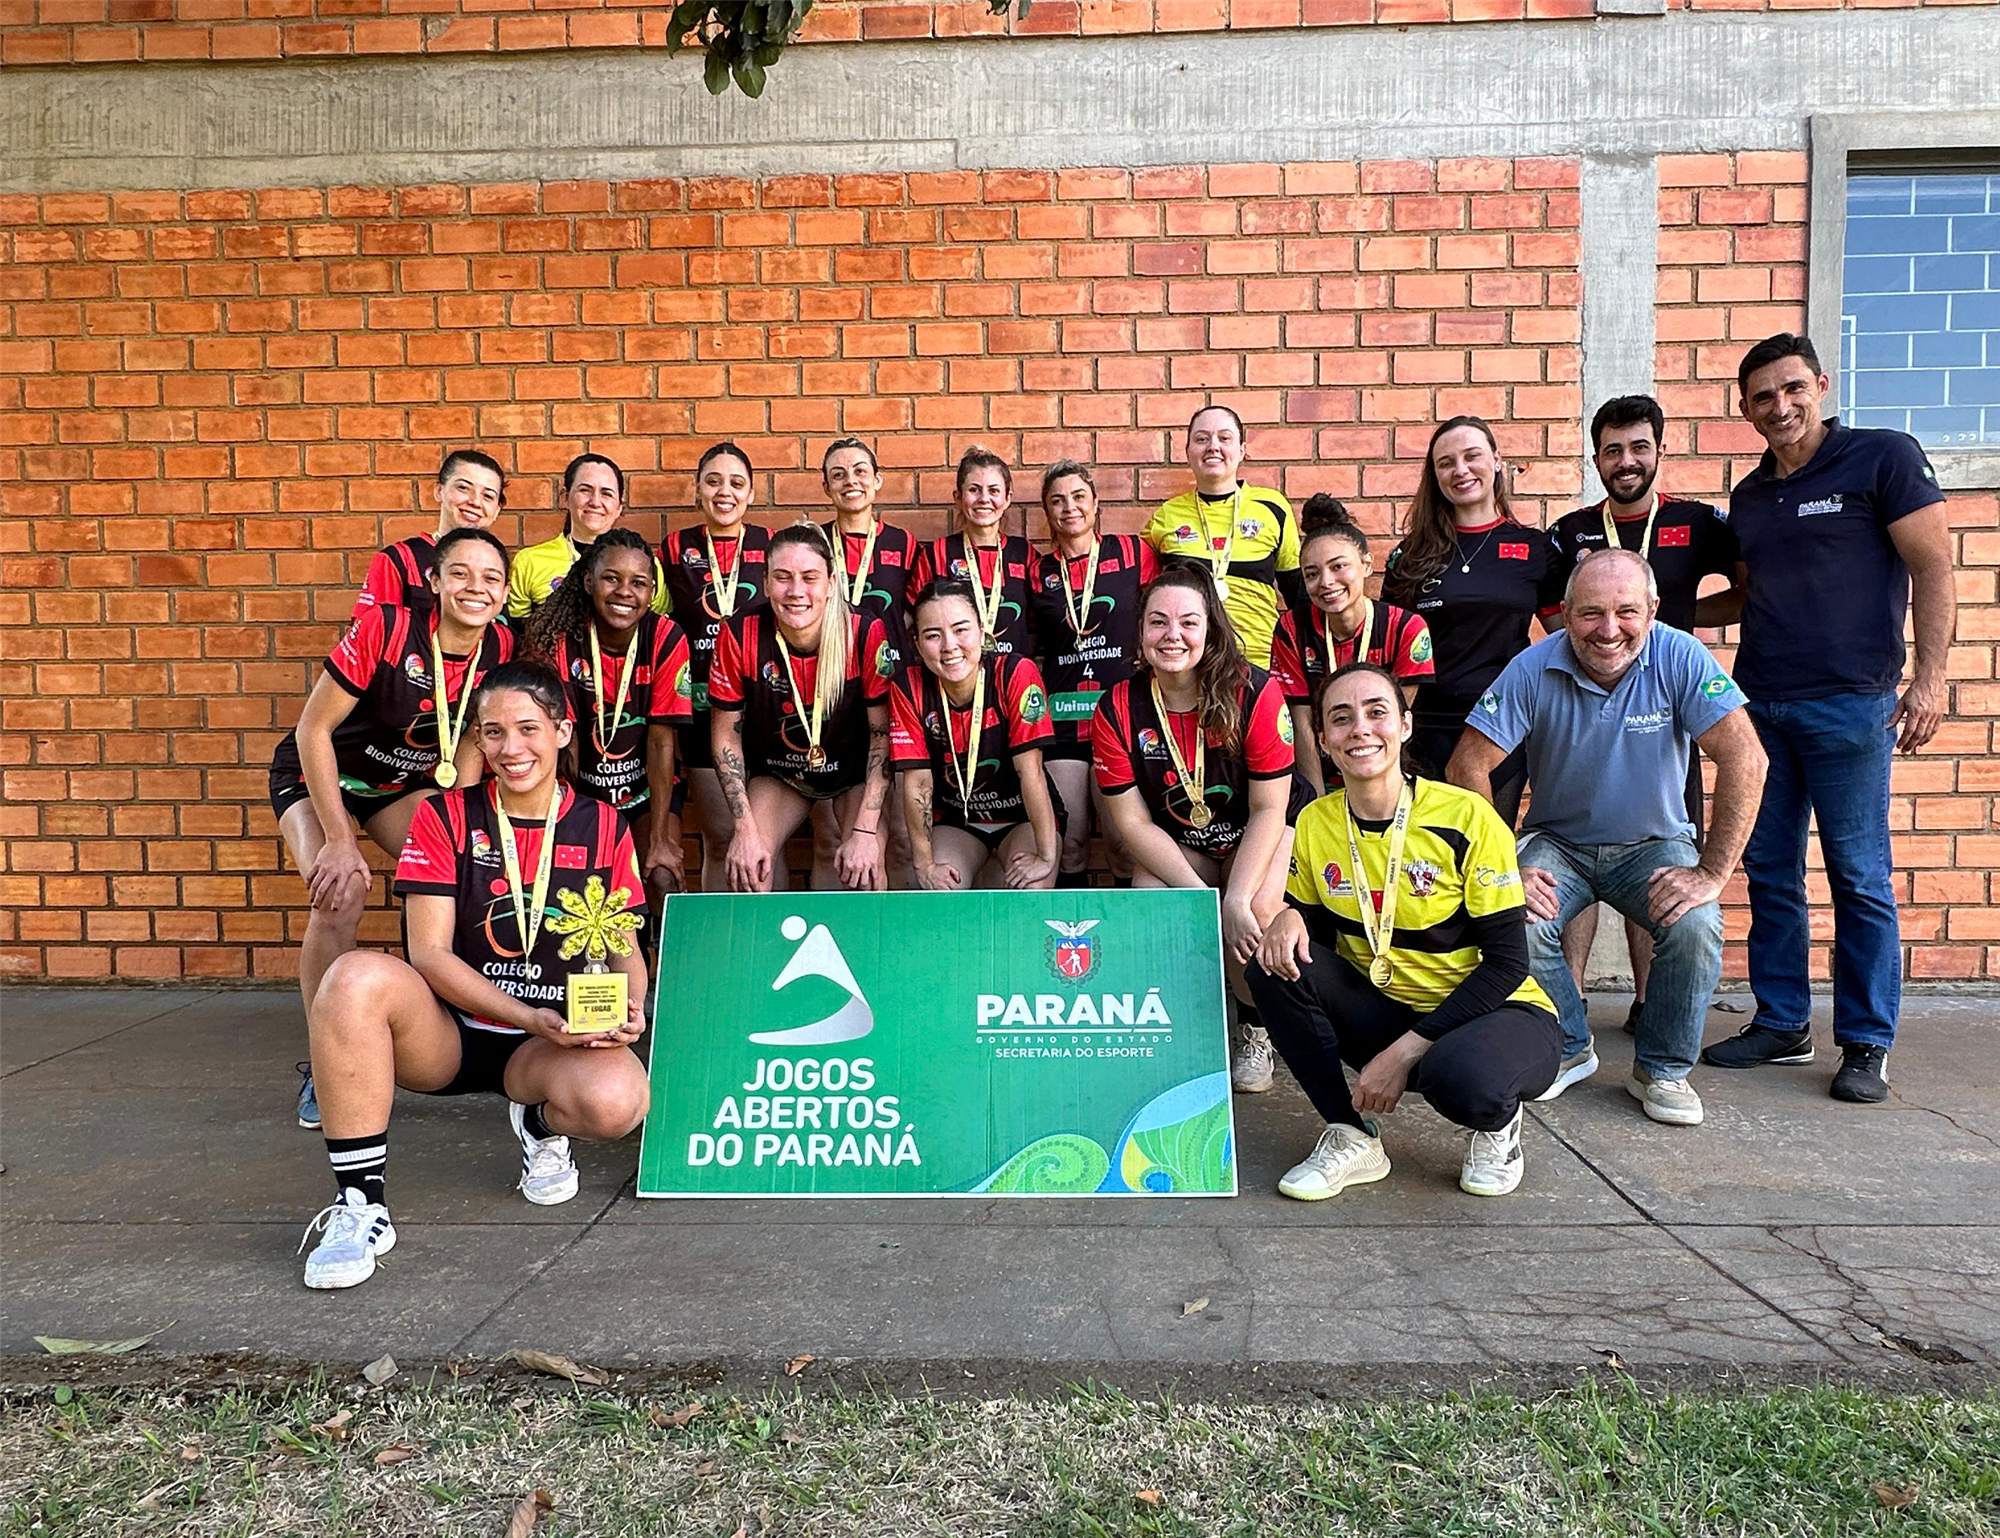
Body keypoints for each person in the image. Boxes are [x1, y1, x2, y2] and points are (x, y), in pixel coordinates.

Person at [297, 660, 650, 1290]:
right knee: (352, 977)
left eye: (527, 729)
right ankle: (359, 1207)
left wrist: (631, 1006)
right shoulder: (444, 816)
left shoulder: (603, 824)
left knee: (619, 1101)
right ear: (476, 740)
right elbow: (428, 954)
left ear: (563, 732)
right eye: (492, 733)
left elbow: (621, 942)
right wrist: (524, 1014)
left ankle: (538, 1126)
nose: (511, 749)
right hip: (450, 1035)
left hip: (547, 1044)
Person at [1701, 333, 1956, 1104]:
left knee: (1859, 876)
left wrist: (1930, 679)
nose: (1779, 407)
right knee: (1771, 870)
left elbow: (1934, 567)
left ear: (1820, 383)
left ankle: (1867, 1041)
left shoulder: (1881, 457)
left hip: (1853, 704)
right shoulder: (1750, 496)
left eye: (1791, 389)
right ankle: (1783, 1022)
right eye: (1761, 398)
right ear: (1745, 410)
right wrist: (1651, 612)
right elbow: (1746, 594)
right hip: (1763, 707)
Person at [1449, 550, 1768, 1124]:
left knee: (1696, 923)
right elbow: (1467, 766)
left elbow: (1745, 757)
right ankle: (1570, 1047)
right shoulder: (1532, 666)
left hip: (1653, 845)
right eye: (1591, 613)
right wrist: (1503, 866)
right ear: (1565, 613)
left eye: (1627, 612)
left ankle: (1662, 1071)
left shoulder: (1681, 656)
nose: (1609, 630)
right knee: (1513, 912)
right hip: (1559, 842)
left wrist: (1712, 874)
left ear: (1653, 609)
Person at [1249, 663, 1561, 1200]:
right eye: (1341, 719)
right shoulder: (1317, 822)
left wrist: (1404, 1053)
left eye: (1377, 713)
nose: (1361, 730)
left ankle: (1499, 1128)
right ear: (1322, 740)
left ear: (1406, 725)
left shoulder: (1466, 816)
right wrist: (1289, 915)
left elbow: (1509, 964)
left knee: (1463, 1081)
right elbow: (1315, 930)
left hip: (1498, 1010)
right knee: (1273, 964)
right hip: (1388, 1003)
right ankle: (1351, 1134)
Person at [270, 527, 515, 1131]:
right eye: (460, 573)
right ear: (433, 581)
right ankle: (324, 1066)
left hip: (401, 785)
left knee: (462, 872)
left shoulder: (502, 645)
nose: (475, 588)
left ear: (506, 593)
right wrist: (338, 838)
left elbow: (468, 747)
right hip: (319, 774)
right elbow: (312, 733)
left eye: (490, 578)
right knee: (340, 893)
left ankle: (439, 1019)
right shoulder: (386, 625)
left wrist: (462, 834)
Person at [1539, 396, 1748, 1034]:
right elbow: (1555, 611)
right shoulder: (1571, 530)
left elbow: (1747, 590)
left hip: (1669, 706)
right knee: (1573, 841)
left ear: (1659, 449)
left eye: (1638, 447)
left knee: (1653, 852)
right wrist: (1593, 649)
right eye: (1612, 450)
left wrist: (1678, 630)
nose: (1625, 461)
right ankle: (1565, 999)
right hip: (1587, 699)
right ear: (1596, 456)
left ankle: (1647, 1004)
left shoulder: (1696, 522)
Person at [1091, 567, 1299, 1094]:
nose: (1172, 635)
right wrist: (1195, 897)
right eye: (1158, 623)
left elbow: (1270, 810)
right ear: (1140, 632)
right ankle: (1183, 1034)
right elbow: (1133, 822)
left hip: (1261, 829)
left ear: (1211, 629)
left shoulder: (1254, 690)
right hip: (1186, 841)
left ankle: (1254, 1028)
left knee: (1255, 917)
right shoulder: (1116, 707)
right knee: (1153, 899)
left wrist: (1234, 899)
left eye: (1188, 622)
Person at [1382, 415, 1553, 826]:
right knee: (1427, 855)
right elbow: (1387, 648)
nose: (1460, 470)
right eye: (1446, 463)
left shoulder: (1536, 548)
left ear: (1496, 460)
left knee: (1488, 844)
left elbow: (1566, 638)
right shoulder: (1410, 557)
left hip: (1500, 726)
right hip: (1423, 725)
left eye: (1471, 456)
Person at [709, 524, 895, 894]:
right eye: (782, 577)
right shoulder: (739, 631)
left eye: (810, 577)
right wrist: (745, 830)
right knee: (749, 870)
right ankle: (760, 952)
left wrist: (864, 832)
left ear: (830, 582)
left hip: (851, 774)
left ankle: (866, 950)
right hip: (780, 774)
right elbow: (725, 736)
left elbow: (882, 737)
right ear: (764, 583)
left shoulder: (864, 630)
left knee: (866, 872)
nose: (796, 591)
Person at [523, 528, 694, 901]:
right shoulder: (558, 639)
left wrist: (660, 838)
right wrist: (572, 823)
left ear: (651, 593)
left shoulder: (666, 637)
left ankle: (656, 960)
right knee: (582, 883)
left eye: (639, 583)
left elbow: (662, 740)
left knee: (661, 876)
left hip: (645, 793)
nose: (624, 592)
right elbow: (561, 744)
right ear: (588, 581)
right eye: (611, 578)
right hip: (578, 789)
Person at [1027, 459, 1158, 886]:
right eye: (1057, 501)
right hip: (1062, 720)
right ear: (1047, 512)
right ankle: (1066, 940)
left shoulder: (1133, 553)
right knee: (1071, 843)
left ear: (1096, 502)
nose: (1070, 508)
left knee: (1123, 845)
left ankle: (1122, 944)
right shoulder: (1037, 572)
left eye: (1079, 497)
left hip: (1120, 719)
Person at [892, 578, 1063, 891]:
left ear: (982, 631)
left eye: (961, 630)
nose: (949, 646)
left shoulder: (1015, 672)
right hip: (959, 821)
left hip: (1021, 817)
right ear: (917, 644)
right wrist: (925, 864)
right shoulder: (908, 686)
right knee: (943, 892)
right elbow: (917, 782)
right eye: (933, 635)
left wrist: (1046, 857)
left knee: (1031, 887)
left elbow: (1031, 773)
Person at [659, 442, 772, 892]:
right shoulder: (673, 548)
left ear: (750, 493)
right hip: (702, 712)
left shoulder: (769, 543)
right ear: (697, 489)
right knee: (721, 836)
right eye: (714, 481)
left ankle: (768, 938)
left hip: (762, 709)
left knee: (761, 838)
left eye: (737, 483)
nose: (725, 492)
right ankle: (724, 950)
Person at [1270, 494, 1434, 793]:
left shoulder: (1407, 628)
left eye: (1338, 567)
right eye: (1312, 573)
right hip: (1317, 773)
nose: (1326, 582)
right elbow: (1302, 724)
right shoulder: (1291, 628)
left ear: (1367, 565)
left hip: (1385, 771)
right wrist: (1317, 802)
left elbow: (1392, 726)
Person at [819, 436, 918, 888]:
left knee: (898, 835)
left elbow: (917, 618)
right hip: (826, 699)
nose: (850, 481)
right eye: (838, 474)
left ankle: (894, 937)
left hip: (891, 695)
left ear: (877, 482)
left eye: (860, 471)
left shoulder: (905, 543)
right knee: (829, 837)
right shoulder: (814, 543)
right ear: (826, 487)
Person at [1143, 404, 1301, 668]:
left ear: (1241, 450)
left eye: (1224, 438)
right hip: (1191, 666)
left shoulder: (1273, 508)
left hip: (1260, 663)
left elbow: (1298, 595)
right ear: (1188, 452)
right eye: (1201, 439)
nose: (1213, 446)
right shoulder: (1166, 516)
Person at [504, 452, 668, 621]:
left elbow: (658, 625)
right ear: (566, 498)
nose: (595, 502)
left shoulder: (646, 563)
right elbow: (519, 631)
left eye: (606, 493)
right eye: (585, 490)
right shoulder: (529, 561)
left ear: (619, 506)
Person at [908, 447, 1035, 660]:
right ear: (958, 497)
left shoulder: (1024, 553)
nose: (984, 499)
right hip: (955, 674)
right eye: (974, 490)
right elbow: (912, 619)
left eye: (994, 490)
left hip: (1014, 676)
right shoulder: (937, 553)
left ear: (1007, 498)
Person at [354, 450, 506, 616]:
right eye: (463, 487)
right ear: (439, 491)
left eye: (488, 496)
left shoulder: (498, 565)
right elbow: (369, 634)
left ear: (497, 510)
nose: (475, 502)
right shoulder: (399, 560)